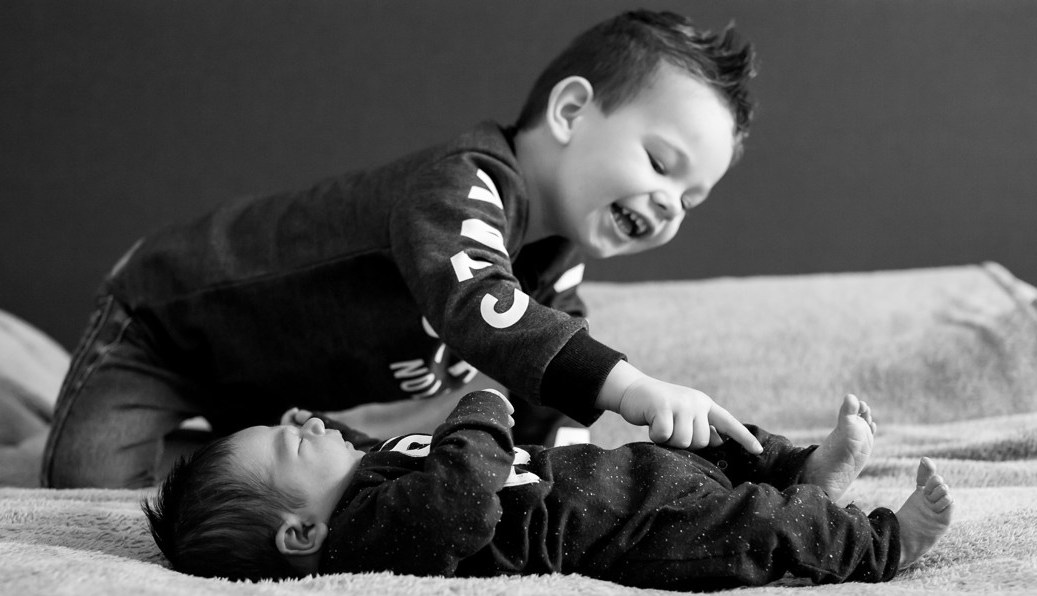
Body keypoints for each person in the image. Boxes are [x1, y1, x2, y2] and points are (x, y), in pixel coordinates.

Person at [43, 9, 761, 489]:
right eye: (662, 165)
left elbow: (540, 379)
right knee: (89, 484)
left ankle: (205, 444)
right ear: (572, 111)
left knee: (266, 487)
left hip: (271, 386)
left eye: (691, 200)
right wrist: (631, 387)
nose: (669, 204)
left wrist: (553, 471)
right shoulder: (456, 187)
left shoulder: (554, 263)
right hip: (165, 329)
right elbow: (486, 308)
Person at [142, 390, 955, 590]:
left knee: (708, 443)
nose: (312, 423)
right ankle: (880, 542)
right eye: (292, 443)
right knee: (748, 527)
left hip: (610, 478)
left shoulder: (368, 472)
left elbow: (427, 457)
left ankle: (802, 472)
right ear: (299, 534)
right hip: (623, 532)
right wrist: (479, 408)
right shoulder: (368, 532)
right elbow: (461, 497)